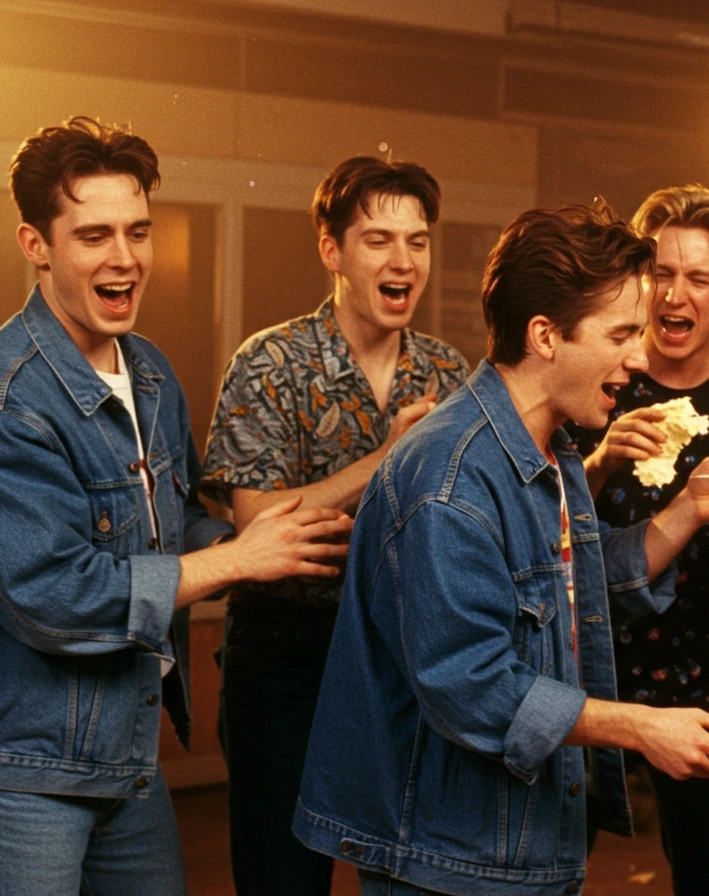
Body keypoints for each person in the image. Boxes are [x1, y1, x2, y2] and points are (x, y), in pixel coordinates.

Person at [0, 116, 353, 896]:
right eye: (93, 235)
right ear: (34, 245)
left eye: (138, 231)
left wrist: (263, 536)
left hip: (125, 760)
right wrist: (234, 558)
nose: (125, 259)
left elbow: (161, 532)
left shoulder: (148, 374)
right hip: (21, 777)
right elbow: (58, 598)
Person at [294, 203, 709, 896]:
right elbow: (470, 684)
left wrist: (694, 508)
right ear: (546, 335)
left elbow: (573, 583)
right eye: (620, 334)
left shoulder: (547, 447)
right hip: (456, 857)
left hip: (522, 844)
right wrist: (639, 726)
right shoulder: (448, 479)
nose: (639, 357)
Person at [200, 156, 471, 895]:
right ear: (333, 252)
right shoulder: (270, 362)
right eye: (379, 240)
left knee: (410, 875)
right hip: (286, 660)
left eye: (417, 242)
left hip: (403, 661)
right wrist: (388, 458)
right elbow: (260, 524)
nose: (403, 261)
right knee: (281, 874)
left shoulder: (449, 374)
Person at [572, 185, 709, 896]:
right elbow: (547, 532)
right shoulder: (595, 380)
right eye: (660, 272)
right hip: (582, 675)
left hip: (700, 678)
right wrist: (599, 464)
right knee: (546, 870)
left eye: (698, 278)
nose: (673, 294)